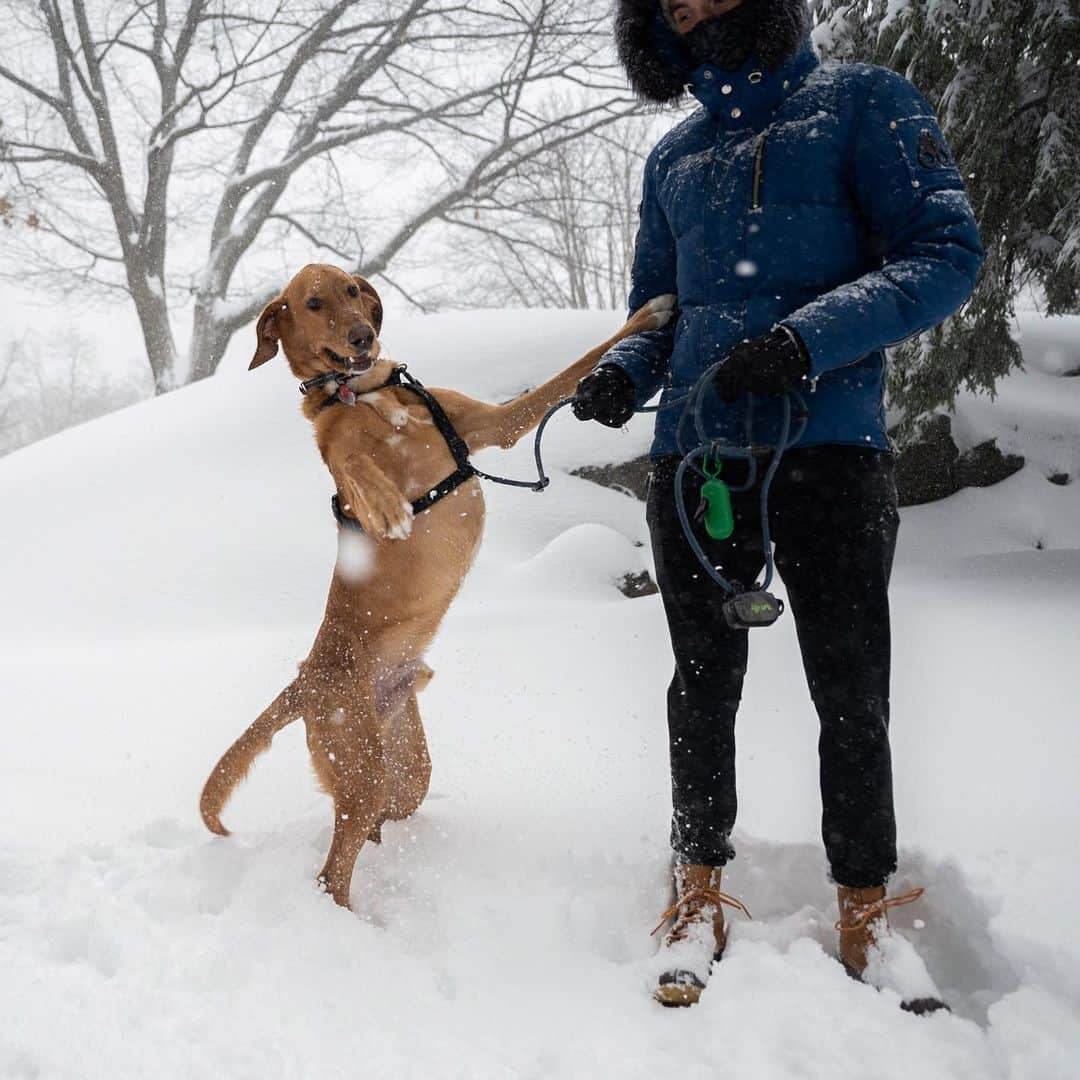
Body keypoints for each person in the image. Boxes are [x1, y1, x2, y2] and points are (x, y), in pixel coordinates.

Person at [573, 0, 983, 1007]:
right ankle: (699, 890)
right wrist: (629, 366)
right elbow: (659, 310)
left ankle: (865, 910)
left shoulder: (861, 103)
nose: (691, 8)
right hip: (698, 459)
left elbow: (943, 253)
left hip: (828, 446)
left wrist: (804, 341)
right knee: (701, 683)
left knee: (851, 692)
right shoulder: (673, 157)